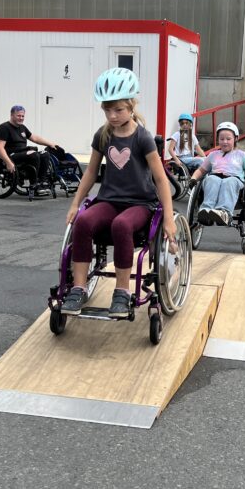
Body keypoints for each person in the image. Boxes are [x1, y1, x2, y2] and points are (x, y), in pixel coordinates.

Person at [61, 67, 177, 317]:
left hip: (140, 204)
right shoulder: (103, 136)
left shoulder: (142, 138)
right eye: (107, 110)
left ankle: (122, 292)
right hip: (109, 200)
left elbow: (160, 178)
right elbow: (91, 173)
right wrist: (74, 204)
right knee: (83, 221)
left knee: (122, 225)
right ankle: (78, 288)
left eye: (118, 110)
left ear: (132, 105)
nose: (112, 116)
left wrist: (168, 217)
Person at [188, 121, 245, 226]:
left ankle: (224, 213)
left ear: (235, 139)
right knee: (211, 179)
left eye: (228, 139)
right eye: (221, 139)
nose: (225, 142)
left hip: (234, 179)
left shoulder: (241, 155)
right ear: (218, 139)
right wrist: (193, 179)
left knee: (229, 181)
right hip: (215, 177)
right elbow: (201, 170)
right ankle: (206, 211)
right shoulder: (213, 155)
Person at [0, 105, 59, 185]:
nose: (21, 118)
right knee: (34, 154)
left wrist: (50, 144)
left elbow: (34, 138)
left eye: (23, 116)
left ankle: (41, 182)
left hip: (22, 153)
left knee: (45, 154)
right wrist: (8, 162)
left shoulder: (22, 127)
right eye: (18, 115)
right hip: (11, 155)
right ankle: (33, 184)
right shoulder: (4, 128)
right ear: (12, 115)